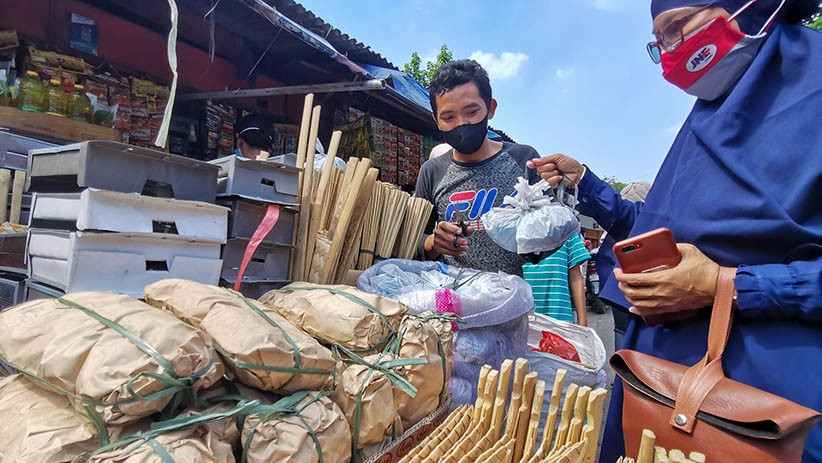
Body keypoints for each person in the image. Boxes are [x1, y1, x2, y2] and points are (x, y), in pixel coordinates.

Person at [528, 0, 822, 461]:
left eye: (678, 27)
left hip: (757, 407)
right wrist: (584, 181)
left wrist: (729, 285)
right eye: (659, 40)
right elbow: (650, 231)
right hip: (658, 387)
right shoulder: (707, 118)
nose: (669, 50)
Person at [415, 59, 540, 276]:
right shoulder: (432, 172)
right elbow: (412, 243)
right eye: (448, 117)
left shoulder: (523, 160)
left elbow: (544, 247)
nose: (461, 124)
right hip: (451, 304)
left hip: (510, 301)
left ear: (490, 108)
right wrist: (434, 243)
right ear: (436, 120)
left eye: (471, 112)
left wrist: (526, 228)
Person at [522, 233, 591, 325]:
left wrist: (583, 324)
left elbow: (576, 279)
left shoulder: (566, 231)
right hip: (521, 320)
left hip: (560, 319)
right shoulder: (510, 232)